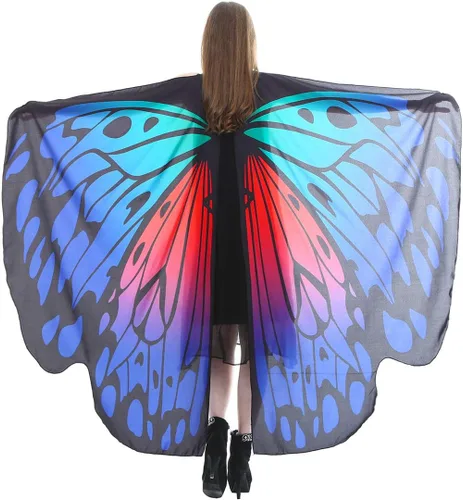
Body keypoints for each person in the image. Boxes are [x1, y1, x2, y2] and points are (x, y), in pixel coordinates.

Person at [176, 2, 259, 498]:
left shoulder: (191, 97)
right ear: (248, 43)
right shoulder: (265, 95)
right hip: (256, 239)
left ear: (209, 44)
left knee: (219, 343)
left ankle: (214, 440)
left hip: (206, 239)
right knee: (250, 345)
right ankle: (242, 456)